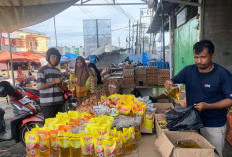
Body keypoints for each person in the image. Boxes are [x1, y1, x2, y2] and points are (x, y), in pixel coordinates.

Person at [164, 40, 232, 157]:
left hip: (213, 124)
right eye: (196, 57)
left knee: (213, 154)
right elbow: (173, 81)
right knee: (193, 153)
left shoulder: (223, 74)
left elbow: (230, 100)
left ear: (212, 56)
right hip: (191, 123)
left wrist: (208, 106)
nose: (199, 61)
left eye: (203, 57)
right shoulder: (188, 70)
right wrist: (169, 82)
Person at [36, 48, 63, 119]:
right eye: (53, 56)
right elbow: (39, 87)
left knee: (60, 126)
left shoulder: (58, 71)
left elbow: (60, 87)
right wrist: (54, 82)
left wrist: (64, 85)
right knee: (50, 127)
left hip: (59, 102)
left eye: (57, 57)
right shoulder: (42, 70)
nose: (55, 59)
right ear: (48, 57)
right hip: (48, 105)